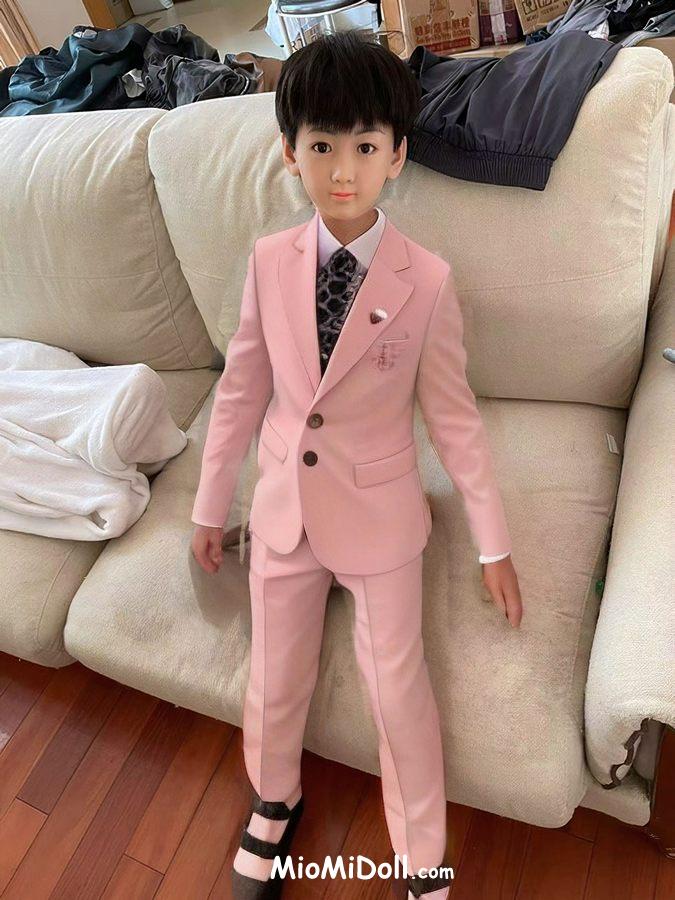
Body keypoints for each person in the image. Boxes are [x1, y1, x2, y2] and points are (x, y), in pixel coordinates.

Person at [191, 29, 523, 900]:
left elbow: (453, 419)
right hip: (282, 510)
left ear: (397, 156)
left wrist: (492, 542)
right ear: (289, 152)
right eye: (321, 146)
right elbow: (240, 389)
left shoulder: (427, 280)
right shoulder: (268, 263)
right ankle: (274, 798)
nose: (343, 171)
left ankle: (421, 856)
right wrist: (208, 505)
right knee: (273, 674)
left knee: (396, 690)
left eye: (366, 147)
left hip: (379, 517)